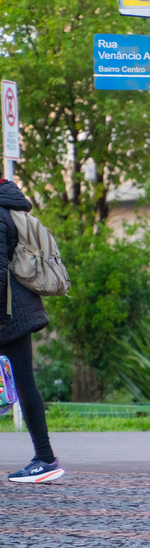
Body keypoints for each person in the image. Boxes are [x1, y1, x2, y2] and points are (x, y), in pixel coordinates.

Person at [0, 179, 63, 483]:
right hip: (17, 310)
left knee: (24, 383)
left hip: (7, 313)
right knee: (25, 383)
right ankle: (46, 458)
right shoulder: (9, 207)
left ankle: (46, 458)